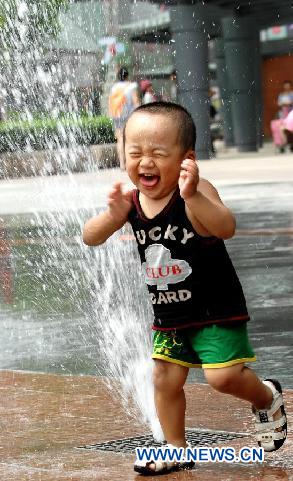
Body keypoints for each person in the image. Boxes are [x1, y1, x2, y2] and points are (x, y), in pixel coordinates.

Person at [83, 102, 287, 475]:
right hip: (170, 315)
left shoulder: (193, 190)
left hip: (215, 309)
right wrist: (111, 217)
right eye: (135, 153)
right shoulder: (130, 204)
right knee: (164, 378)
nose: (146, 162)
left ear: (186, 158)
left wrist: (193, 195)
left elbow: (225, 226)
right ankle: (175, 447)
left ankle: (267, 396)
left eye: (159, 153)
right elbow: (90, 236)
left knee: (222, 377)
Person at [108, 66, 140, 169]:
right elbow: (135, 101)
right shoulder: (131, 86)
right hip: (129, 116)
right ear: (127, 75)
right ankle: (129, 162)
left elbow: (111, 103)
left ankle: (122, 163)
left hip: (117, 115)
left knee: (120, 139)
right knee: (130, 139)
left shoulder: (114, 87)